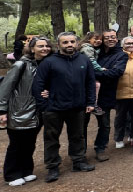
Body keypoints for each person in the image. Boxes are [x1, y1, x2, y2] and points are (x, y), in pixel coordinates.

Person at [31, 31, 97, 183]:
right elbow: (38, 85)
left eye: (72, 42)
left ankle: (78, 161)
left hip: (77, 106)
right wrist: (44, 105)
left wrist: (90, 102)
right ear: (58, 44)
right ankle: (53, 167)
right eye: (65, 42)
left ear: (77, 43)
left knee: (78, 135)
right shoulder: (49, 62)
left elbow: (90, 82)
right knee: (51, 138)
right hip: (54, 108)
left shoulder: (84, 60)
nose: (69, 45)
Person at [0, 36, 51, 186]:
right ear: (32, 48)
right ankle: (12, 174)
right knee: (16, 143)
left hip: (37, 111)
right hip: (19, 110)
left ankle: (26, 170)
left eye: (47, 46)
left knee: (30, 142)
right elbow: (6, 87)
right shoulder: (21, 64)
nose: (44, 48)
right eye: (40, 46)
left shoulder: (47, 64)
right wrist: (0, 110)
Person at [88, 30, 127, 162]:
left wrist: (92, 74)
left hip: (106, 94)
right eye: (107, 37)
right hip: (87, 92)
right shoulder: (94, 52)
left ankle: (100, 148)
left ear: (117, 39)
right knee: (82, 124)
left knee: (104, 124)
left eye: (113, 37)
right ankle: (79, 153)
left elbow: (116, 72)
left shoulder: (121, 55)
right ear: (102, 40)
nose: (110, 39)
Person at [114, 36, 133, 149]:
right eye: (128, 43)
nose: (131, 45)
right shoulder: (119, 56)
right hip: (121, 92)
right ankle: (119, 138)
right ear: (123, 45)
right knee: (120, 117)